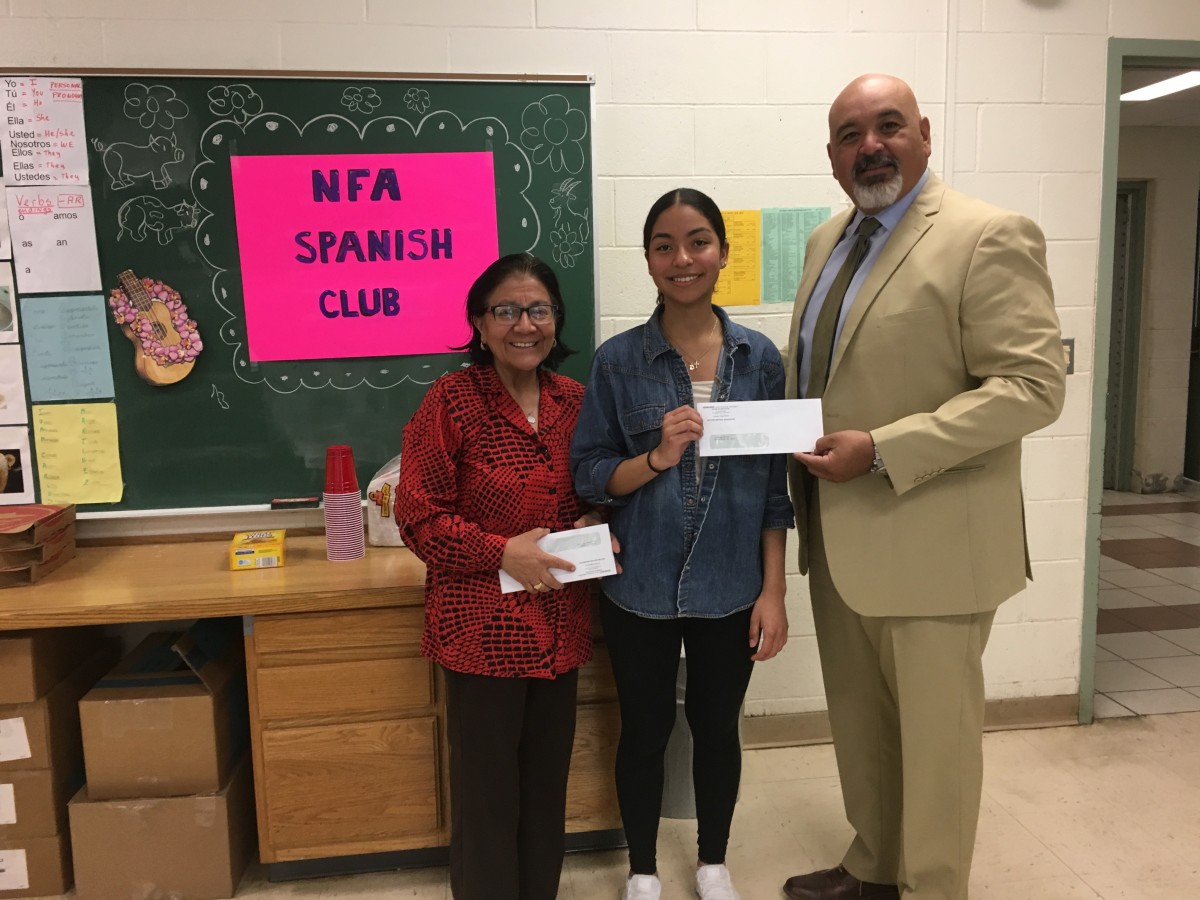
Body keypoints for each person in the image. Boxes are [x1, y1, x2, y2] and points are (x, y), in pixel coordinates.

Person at [780, 74, 1067, 900]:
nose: (870, 145)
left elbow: (1031, 388)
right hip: (839, 531)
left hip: (936, 537)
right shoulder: (828, 238)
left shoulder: (988, 234)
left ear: (925, 134)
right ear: (832, 158)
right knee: (862, 724)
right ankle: (875, 864)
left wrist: (882, 449)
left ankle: (932, 887)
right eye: (849, 134)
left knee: (937, 744)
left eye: (888, 125)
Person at [571, 188, 794, 900]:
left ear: (722, 254)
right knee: (643, 729)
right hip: (638, 582)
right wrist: (658, 458)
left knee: (716, 726)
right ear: (647, 260)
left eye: (697, 241)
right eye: (664, 245)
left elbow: (773, 488)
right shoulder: (617, 362)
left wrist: (775, 590)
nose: (682, 258)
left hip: (731, 585)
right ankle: (641, 869)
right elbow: (590, 473)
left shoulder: (759, 360)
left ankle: (713, 860)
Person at [395, 253, 599, 900]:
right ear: (479, 325)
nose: (524, 324)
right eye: (505, 310)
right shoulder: (451, 401)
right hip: (480, 633)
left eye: (538, 310)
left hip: (559, 627)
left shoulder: (576, 402)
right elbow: (418, 516)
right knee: (488, 800)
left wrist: (598, 520)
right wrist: (499, 551)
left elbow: (594, 491)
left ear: (556, 320)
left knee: (545, 791)